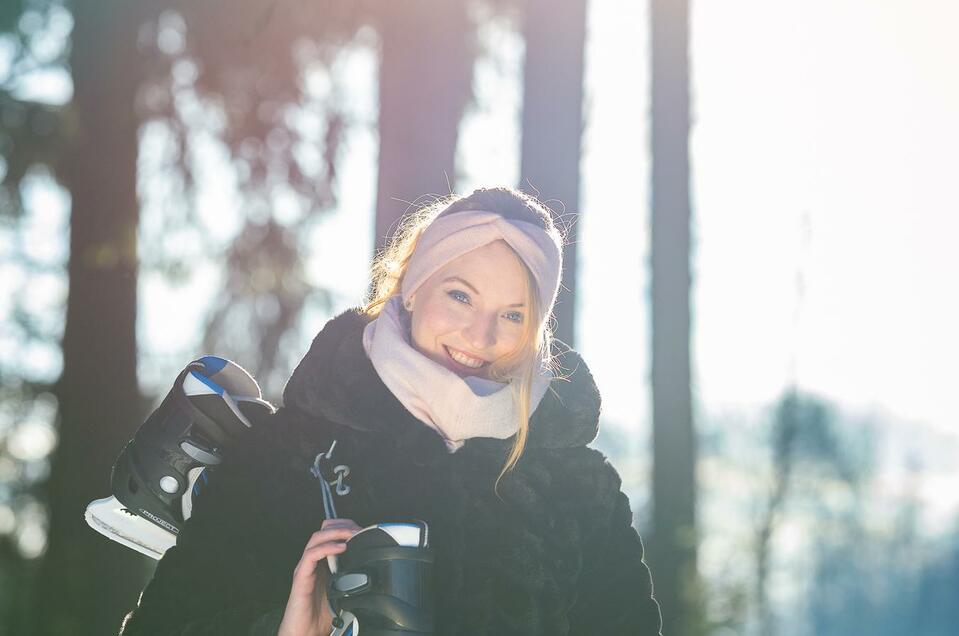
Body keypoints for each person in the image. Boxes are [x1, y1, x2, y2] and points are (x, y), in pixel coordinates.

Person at [118, 186, 663, 635]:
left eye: (513, 315)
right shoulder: (293, 450)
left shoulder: (574, 485)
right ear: (412, 286)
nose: (480, 335)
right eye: (460, 296)